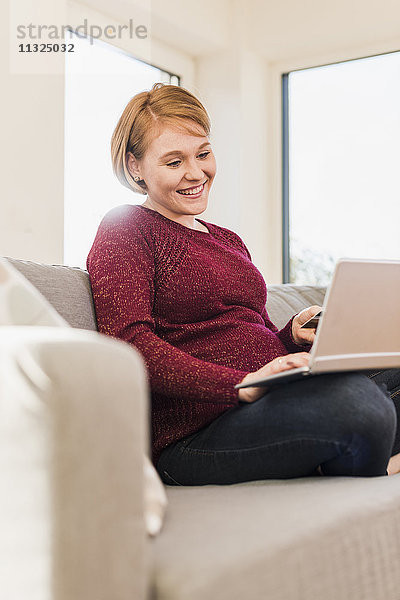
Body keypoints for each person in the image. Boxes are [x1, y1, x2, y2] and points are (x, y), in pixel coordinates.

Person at [86, 82, 400, 485]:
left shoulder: (228, 240)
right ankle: (375, 459)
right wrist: (239, 385)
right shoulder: (127, 228)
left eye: (203, 153)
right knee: (359, 407)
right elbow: (127, 345)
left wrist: (291, 336)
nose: (196, 173)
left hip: (272, 395)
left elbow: (257, 334)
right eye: (173, 161)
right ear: (135, 167)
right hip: (196, 432)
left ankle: (352, 451)